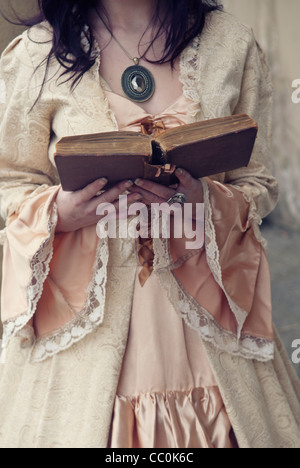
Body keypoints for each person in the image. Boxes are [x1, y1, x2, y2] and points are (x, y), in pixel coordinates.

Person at [0, 0, 299, 449]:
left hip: (213, 324)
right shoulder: (38, 53)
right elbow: (11, 180)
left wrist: (207, 201)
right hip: (84, 333)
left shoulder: (230, 43)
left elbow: (256, 181)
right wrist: (59, 212)